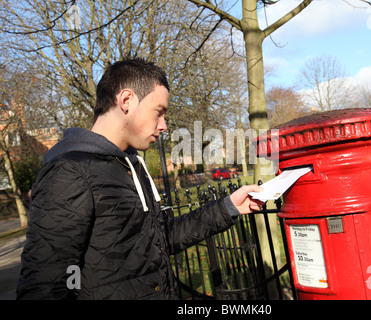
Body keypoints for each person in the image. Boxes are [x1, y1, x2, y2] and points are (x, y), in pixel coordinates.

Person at [16, 58, 263, 300]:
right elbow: (45, 285)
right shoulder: (70, 171)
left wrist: (228, 207)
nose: (164, 125)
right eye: (159, 112)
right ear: (126, 101)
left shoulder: (131, 166)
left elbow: (160, 240)